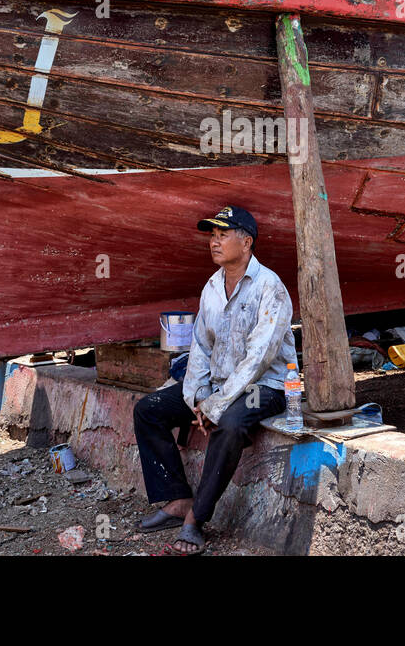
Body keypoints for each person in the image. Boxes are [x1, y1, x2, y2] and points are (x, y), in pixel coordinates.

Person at [133, 205, 296, 555]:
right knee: (150, 409)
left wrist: (217, 405)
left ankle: (195, 519)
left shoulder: (271, 287)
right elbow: (201, 348)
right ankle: (176, 499)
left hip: (264, 387)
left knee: (232, 422)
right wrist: (198, 398)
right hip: (221, 385)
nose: (214, 242)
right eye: (212, 235)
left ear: (247, 242)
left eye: (223, 235)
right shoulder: (212, 287)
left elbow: (260, 357)